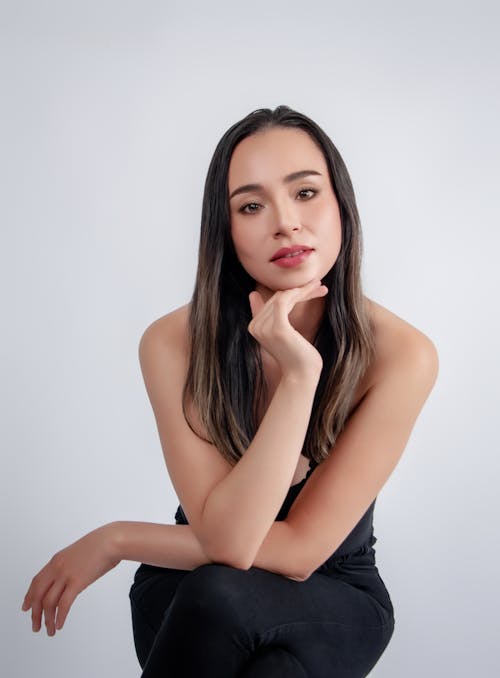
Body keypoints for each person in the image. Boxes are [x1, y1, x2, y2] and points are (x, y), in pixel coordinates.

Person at [21, 105, 439, 677]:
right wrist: (295, 381)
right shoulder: (173, 342)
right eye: (251, 205)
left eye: (306, 193)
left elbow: (297, 553)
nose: (286, 223)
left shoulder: (401, 354)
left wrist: (117, 539)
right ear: (226, 230)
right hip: (189, 583)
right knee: (226, 608)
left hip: (333, 591)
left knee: (225, 598)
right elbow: (230, 541)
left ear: (342, 205)